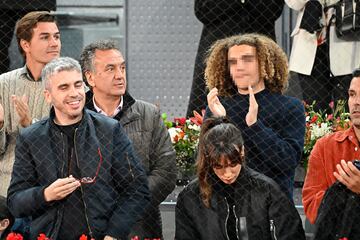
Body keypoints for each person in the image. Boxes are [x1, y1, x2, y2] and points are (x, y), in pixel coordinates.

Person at [7, 57, 150, 240]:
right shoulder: (31, 138)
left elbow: (137, 189)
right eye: (64, 87)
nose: (74, 93)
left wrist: (113, 234)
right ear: (48, 95)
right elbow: (15, 202)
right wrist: (45, 194)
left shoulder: (109, 130)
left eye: (78, 85)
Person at [81, 40, 177, 239]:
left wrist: (127, 208)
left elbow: (165, 172)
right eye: (110, 69)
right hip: (88, 226)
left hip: (140, 226)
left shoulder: (149, 114)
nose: (119, 75)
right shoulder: (76, 118)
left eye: (122, 67)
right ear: (90, 77)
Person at [205, 33, 305, 197]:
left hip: (274, 206)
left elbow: (287, 161)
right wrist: (221, 121)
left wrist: (255, 126)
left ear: (265, 63)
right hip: (228, 204)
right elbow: (206, 163)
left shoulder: (290, 107)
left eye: (247, 59)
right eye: (233, 62)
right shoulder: (218, 107)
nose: (239, 67)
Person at [175, 118, 306, 239]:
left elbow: (291, 234)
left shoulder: (268, 191)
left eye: (233, 164)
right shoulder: (190, 196)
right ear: (209, 160)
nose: (227, 174)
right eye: (218, 166)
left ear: (242, 152)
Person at [186, 0, 284, 117]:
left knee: (267, 111)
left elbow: (273, 11)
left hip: (259, 51)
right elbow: (203, 11)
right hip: (218, 53)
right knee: (207, 107)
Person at [0, 11, 61, 196]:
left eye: (56, 37)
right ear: (25, 44)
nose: (54, 43)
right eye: (45, 37)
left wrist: (30, 125)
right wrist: (0, 125)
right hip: (5, 190)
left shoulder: (73, 87)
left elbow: (68, 146)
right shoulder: (3, 84)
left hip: (50, 190)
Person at [302, 68, 360, 224]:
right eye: (352, 94)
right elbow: (311, 205)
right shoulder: (325, 147)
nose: (356, 102)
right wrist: (347, 194)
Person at [286, 0, 360, 111]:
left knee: (344, 111)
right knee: (316, 112)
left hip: (346, 40)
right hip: (309, 42)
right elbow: (293, 3)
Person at [0, 1, 56, 74]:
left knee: (36, 47)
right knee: (1, 47)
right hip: (4, 5)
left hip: (37, 4)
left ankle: (34, 80)